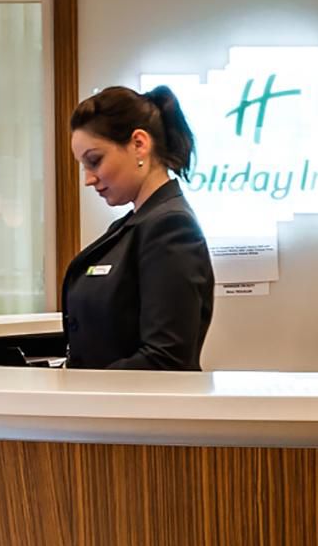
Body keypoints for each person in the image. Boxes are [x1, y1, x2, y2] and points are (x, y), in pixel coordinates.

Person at [58, 84, 216, 370]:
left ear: (139, 144)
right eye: (84, 166)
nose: (88, 179)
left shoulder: (171, 227)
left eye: (95, 161)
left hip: (133, 399)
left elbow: (165, 359)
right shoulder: (134, 225)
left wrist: (81, 387)